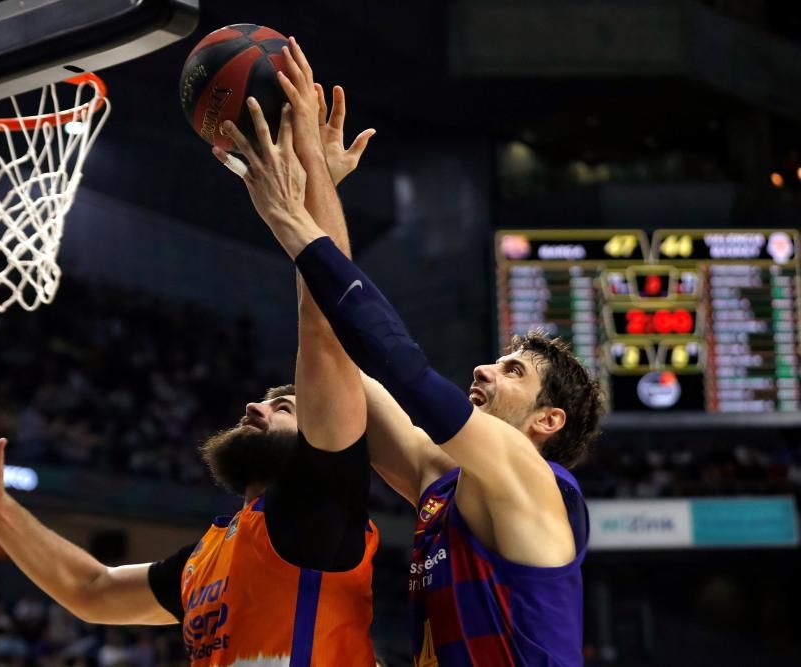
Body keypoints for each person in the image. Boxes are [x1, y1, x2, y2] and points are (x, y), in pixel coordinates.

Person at [0, 46, 380, 666]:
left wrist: (309, 176)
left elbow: (326, 325)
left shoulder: (321, 508)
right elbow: (92, 591)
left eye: (283, 404)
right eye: (271, 398)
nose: (257, 403)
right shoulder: (210, 555)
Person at [215, 37, 603, 667]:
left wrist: (292, 220)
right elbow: (336, 343)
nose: (483, 368)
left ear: (547, 422)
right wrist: (314, 172)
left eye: (513, 371)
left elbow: (403, 366)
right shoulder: (439, 479)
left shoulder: (537, 483)